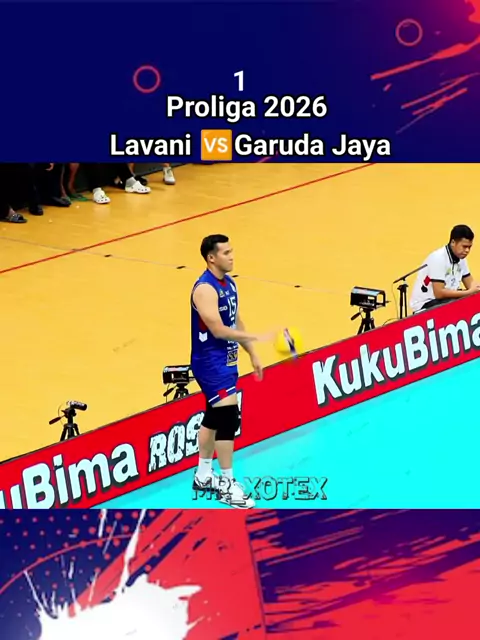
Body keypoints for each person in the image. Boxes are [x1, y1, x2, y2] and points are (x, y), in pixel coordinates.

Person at [190, 234, 271, 509]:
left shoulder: (230, 284)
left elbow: (235, 320)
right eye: (226, 253)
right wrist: (255, 336)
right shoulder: (205, 289)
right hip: (209, 361)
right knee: (228, 417)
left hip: (227, 359)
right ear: (211, 258)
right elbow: (217, 329)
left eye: (231, 251)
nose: (232, 256)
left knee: (214, 415)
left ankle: (203, 475)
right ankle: (227, 484)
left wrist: (251, 351)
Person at [410, 224, 480, 313]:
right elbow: (439, 293)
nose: (467, 250)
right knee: (460, 305)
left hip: (446, 301)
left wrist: (475, 290)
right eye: (464, 246)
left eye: (469, 247)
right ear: (453, 242)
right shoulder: (438, 258)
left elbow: (471, 285)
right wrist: (467, 293)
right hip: (426, 304)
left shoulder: (461, 259)